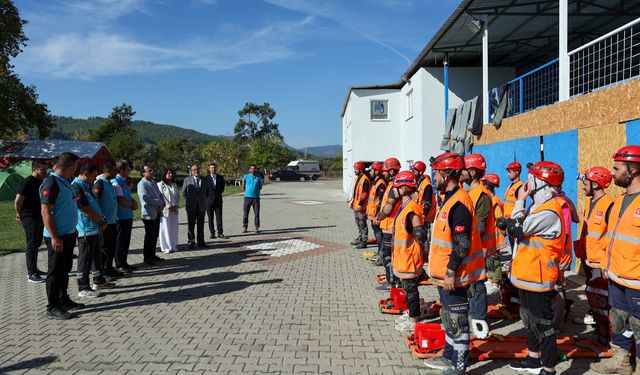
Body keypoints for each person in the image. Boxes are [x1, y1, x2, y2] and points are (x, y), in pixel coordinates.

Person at [499, 161, 565, 375]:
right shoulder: (537, 206)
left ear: (541, 181)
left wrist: (518, 203)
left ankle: (549, 368)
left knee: (543, 325)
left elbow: (518, 229)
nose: (527, 182)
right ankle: (534, 358)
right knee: (529, 319)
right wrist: (520, 205)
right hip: (527, 274)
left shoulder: (550, 211)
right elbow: (519, 230)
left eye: (531, 178)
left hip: (540, 276)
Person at [423, 152, 485, 375]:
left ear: (447, 173)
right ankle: (449, 355)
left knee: (458, 320)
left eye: (437, 173)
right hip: (444, 274)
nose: (434, 177)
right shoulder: (449, 199)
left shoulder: (459, 203)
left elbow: (462, 243)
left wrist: (450, 272)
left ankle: (459, 366)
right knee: (449, 317)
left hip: (455, 276)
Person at [591, 145, 640, 375]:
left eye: (617, 168)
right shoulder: (620, 201)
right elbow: (611, 238)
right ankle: (621, 361)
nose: (612, 173)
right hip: (616, 274)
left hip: (636, 278)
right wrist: (605, 264)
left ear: (633, 170)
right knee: (619, 320)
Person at [39, 152, 84, 320]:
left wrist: (72, 229)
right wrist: (55, 237)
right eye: (75, 165)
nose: (76, 168)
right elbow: (45, 212)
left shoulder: (64, 181)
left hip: (68, 233)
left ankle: (63, 299)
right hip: (56, 236)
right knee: (55, 271)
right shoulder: (51, 183)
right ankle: (52, 306)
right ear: (70, 166)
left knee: (65, 269)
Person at [572, 167, 614, 344]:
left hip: (600, 263)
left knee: (605, 301)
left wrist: (605, 264)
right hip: (588, 259)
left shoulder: (610, 205)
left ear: (595, 184)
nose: (583, 186)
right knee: (594, 298)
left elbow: (611, 237)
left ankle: (609, 335)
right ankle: (599, 329)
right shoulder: (590, 203)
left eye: (586, 182)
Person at [389, 170, 428, 333]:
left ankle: (414, 319)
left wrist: (423, 252)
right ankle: (412, 312)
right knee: (407, 288)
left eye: (397, 187)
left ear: (404, 188)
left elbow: (420, 234)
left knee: (411, 290)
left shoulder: (411, 208)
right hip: (402, 256)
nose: (394, 190)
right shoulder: (404, 206)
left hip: (409, 257)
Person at [460, 154, 493, 337]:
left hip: (479, 248)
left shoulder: (481, 194)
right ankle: (473, 315)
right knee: (471, 283)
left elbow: (479, 226)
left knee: (477, 283)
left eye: (464, 170)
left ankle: (479, 320)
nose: (461, 173)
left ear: (472, 172)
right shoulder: (470, 192)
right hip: (472, 247)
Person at [72, 163, 114, 298]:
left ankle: (98, 280)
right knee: (85, 259)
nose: (94, 180)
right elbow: (85, 209)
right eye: (93, 176)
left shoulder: (86, 186)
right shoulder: (77, 187)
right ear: (85, 174)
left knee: (96, 257)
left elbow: (94, 205)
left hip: (94, 228)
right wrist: (100, 220)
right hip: (85, 229)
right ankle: (83, 287)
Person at [14, 159, 48, 283]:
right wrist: (19, 213)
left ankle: (35, 269)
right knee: (32, 243)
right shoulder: (27, 182)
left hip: (39, 215)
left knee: (37, 242)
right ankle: (31, 273)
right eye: (42, 169)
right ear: (34, 169)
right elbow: (18, 200)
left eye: (45, 169)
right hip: (29, 215)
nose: (45, 171)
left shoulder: (41, 181)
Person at [376, 157, 402, 291]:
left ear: (391, 171)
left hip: (390, 227)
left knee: (386, 255)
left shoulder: (394, 187)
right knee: (390, 254)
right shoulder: (394, 185)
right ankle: (394, 280)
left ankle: (392, 282)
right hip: (390, 226)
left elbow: (388, 207)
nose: (383, 173)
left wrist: (379, 217)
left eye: (385, 171)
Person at [94, 161, 120, 278]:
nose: (116, 172)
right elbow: (96, 203)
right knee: (103, 248)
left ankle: (109, 267)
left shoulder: (109, 183)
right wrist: (101, 220)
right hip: (105, 223)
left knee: (111, 247)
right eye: (114, 170)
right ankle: (103, 270)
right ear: (107, 171)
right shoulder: (100, 183)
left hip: (113, 221)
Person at [112, 161, 139, 274]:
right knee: (120, 241)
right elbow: (120, 199)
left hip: (127, 215)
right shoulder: (116, 182)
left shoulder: (123, 181)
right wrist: (132, 204)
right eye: (127, 169)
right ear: (121, 170)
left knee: (126, 241)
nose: (129, 171)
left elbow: (127, 196)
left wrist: (133, 201)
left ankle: (124, 262)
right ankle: (119, 264)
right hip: (121, 217)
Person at [480, 173, 509, 272]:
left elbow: (499, 220)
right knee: (489, 261)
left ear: (487, 185)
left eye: (483, 184)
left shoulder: (494, 200)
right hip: (490, 237)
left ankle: (496, 283)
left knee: (494, 261)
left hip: (495, 238)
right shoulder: (489, 199)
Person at [138, 164, 165, 265]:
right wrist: (160, 203)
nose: (152, 172)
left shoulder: (153, 183)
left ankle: (152, 254)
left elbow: (159, 194)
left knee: (155, 235)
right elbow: (146, 198)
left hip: (157, 212)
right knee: (149, 236)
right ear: (143, 173)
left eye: (151, 170)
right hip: (148, 214)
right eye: (149, 171)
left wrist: (162, 203)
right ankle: (147, 257)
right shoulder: (141, 184)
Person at [183, 163, 210, 248]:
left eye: (197, 169)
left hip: (201, 206)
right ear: (191, 171)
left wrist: (202, 199)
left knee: (201, 225)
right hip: (191, 206)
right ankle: (191, 241)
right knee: (191, 225)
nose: (196, 171)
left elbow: (208, 192)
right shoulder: (187, 180)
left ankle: (201, 242)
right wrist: (191, 199)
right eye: (194, 170)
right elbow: (184, 192)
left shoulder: (205, 179)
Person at [412, 160, 436, 242]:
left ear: (420, 172)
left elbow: (427, 203)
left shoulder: (427, 185)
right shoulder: (420, 182)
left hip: (424, 216)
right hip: (420, 214)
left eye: (414, 171)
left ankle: (425, 253)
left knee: (423, 237)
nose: (413, 173)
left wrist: (423, 215)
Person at [366, 162, 386, 258]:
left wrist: (377, 216)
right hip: (373, 214)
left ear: (377, 171)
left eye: (371, 170)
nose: (370, 172)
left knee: (379, 236)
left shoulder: (381, 184)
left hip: (376, 216)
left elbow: (381, 202)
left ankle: (381, 255)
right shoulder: (376, 182)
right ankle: (379, 253)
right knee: (377, 235)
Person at [349, 161, 370, 249]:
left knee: (362, 224)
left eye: (356, 169)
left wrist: (360, 205)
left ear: (360, 169)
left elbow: (364, 194)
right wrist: (352, 201)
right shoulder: (358, 178)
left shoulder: (365, 179)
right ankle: (360, 238)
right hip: (356, 205)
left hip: (361, 207)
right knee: (358, 223)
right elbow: (355, 192)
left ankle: (364, 241)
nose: (355, 171)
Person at [158, 168, 179, 254]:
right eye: (169, 173)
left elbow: (177, 196)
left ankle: (173, 246)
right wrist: (168, 206)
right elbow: (160, 196)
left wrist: (176, 205)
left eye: (171, 173)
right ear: (164, 174)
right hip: (165, 210)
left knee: (174, 228)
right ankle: (166, 247)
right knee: (165, 228)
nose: (170, 175)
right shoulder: (160, 184)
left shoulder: (174, 184)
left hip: (174, 210)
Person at [206, 162, 227, 239]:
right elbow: (205, 190)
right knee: (210, 218)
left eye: (215, 168)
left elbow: (222, 188)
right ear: (209, 169)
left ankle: (220, 232)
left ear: (216, 168)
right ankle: (212, 233)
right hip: (209, 202)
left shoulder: (220, 178)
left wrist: (216, 195)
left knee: (219, 218)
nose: (213, 169)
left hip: (218, 201)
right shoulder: (206, 178)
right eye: (212, 168)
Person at [242, 164, 263, 233]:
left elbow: (260, 187)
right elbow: (243, 186)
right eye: (252, 168)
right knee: (245, 213)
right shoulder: (246, 176)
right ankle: (245, 227)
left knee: (256, 214)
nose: (253, 170)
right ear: (249, 170)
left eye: (254, 168)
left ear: (256, 169)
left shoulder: (259, 177)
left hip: (256, 198)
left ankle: (256, 227)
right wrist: (247, 192)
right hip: (247, 198)